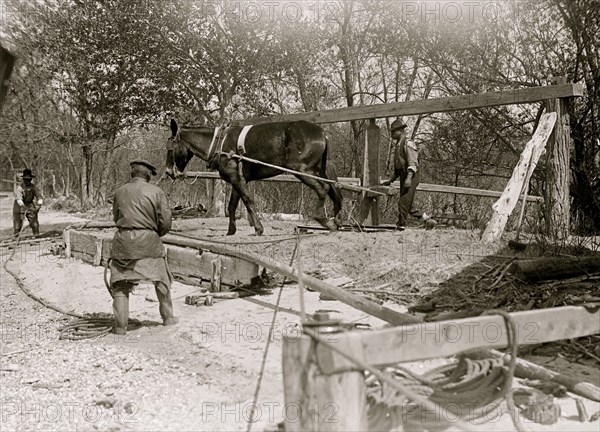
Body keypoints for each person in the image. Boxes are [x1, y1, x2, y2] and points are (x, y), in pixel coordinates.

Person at [109, 159, 178, 335]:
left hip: (123, 243)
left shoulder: (118, 192)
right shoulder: (157, 192)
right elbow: (166, 222)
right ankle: (168, 319)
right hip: (149, 243)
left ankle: (120, 328)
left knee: (120, 284)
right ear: (148, 175)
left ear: (132, 174)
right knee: (161, 279)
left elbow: (116, 218)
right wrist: (153, 234)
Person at [382, 119, 437, 231]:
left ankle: (401, 224)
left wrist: (408, 178)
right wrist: (391, 180)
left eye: (394, 132)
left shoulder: (408, 143)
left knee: (403, 201)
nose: (392, 134)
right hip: (404, 175)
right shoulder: (398, 145)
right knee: (408, 203)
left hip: (411, 175)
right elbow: (398, 167)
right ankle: (427, 220)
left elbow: (412, 162)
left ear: (401, 131)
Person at [13, 168, 43, 236]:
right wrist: (25, 208)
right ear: (23, 179)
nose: (28, 181)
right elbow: (19, 200)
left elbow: (39, 196)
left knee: (34, 223)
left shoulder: (34, 187)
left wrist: (38, 206)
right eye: (26, 179)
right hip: (19, 206)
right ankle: (15, 238)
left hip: (29, 204)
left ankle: (36, 236)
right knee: (17, 225)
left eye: (29, 179)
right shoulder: (19, 188)